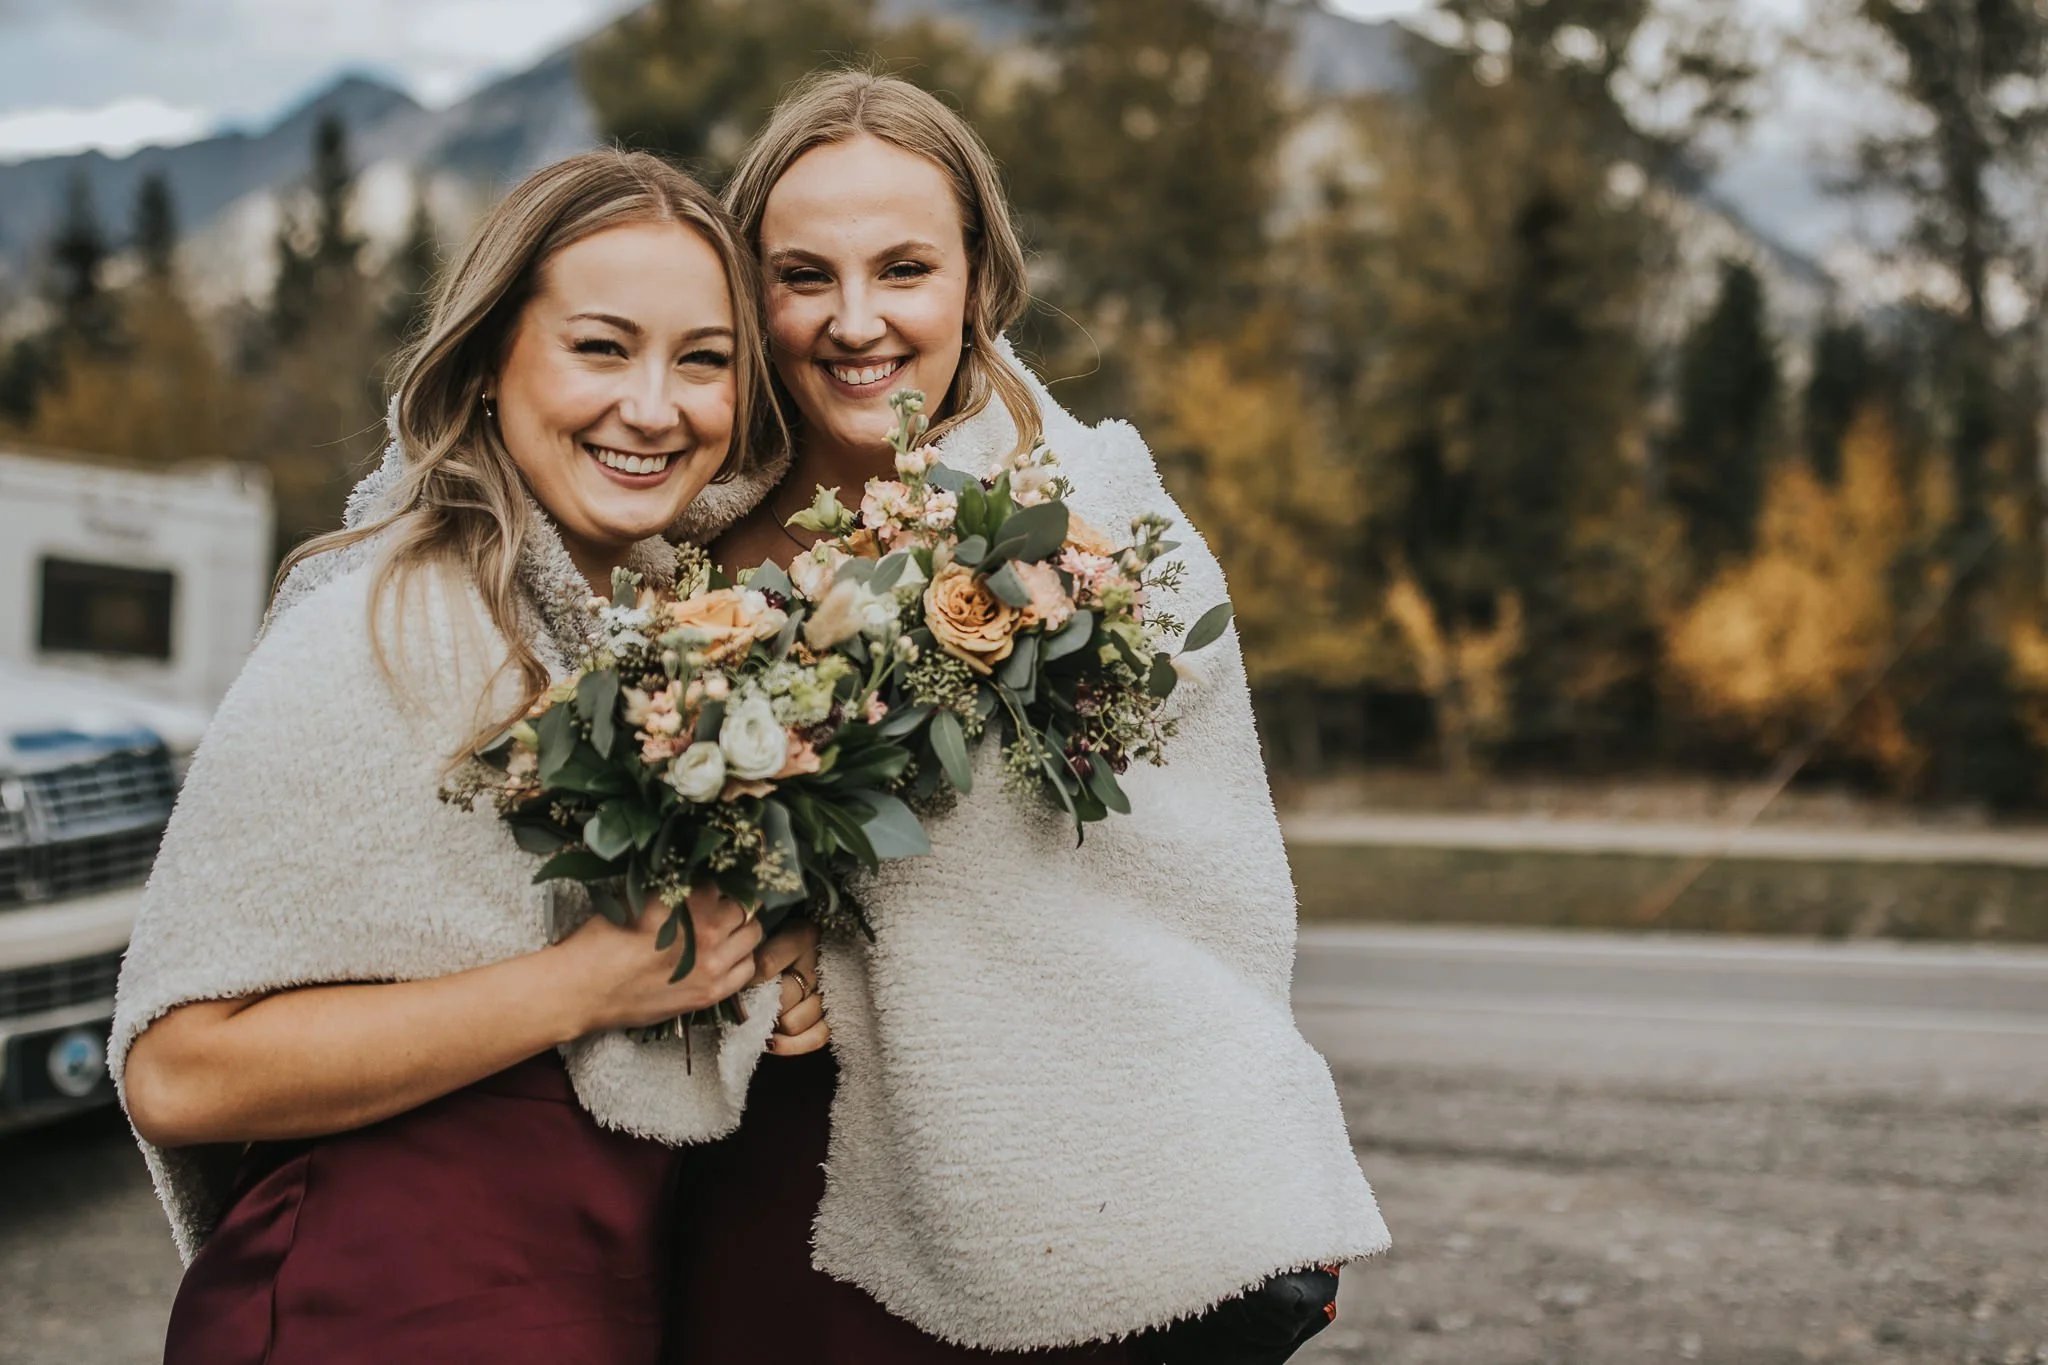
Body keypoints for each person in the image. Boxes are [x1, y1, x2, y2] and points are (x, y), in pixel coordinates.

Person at [673, 72, 1390, 1362]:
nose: (854, 323)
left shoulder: (1092, 516)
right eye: (801, 276)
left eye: (901, 269)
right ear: (746, 291)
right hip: (760, 1163)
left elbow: (1172, 875)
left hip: (1049, 1149)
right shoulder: (684, 536)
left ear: (977, 282)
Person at [110, 149, 826, 1365]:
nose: (654, 407)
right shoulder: (381, 632)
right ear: (493, 365)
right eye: (601, 347)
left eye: (701, 360)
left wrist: (760, 963)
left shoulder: (653, 643)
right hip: (382, 1309)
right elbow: (179, 1070)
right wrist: (585, 984)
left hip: (580, 1295)